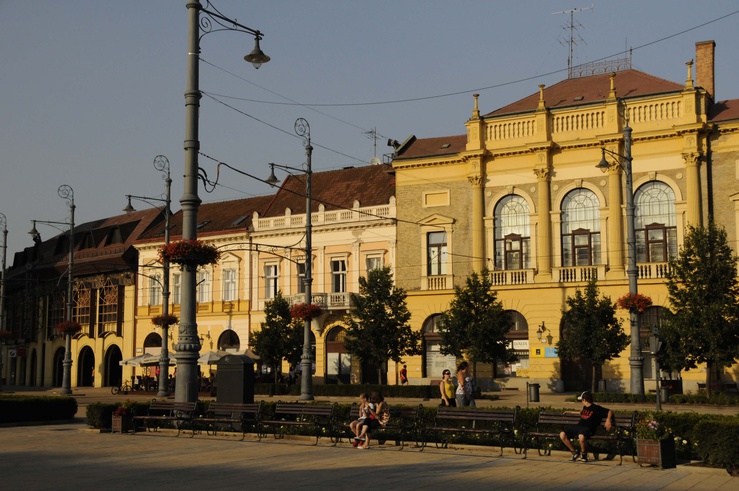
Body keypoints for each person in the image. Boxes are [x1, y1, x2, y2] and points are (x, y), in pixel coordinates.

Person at [559, 390, 613, 463]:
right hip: (579, 426)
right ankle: (574, 452)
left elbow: (610, 411)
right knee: (562, 434)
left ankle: (584, 454)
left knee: (581, 436)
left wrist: (608, 420)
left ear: (584, 400)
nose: (581, 401)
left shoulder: (596, 408)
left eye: (582, 400)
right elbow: (581, 413)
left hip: (588, 428)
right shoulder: (585, 407)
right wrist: (570, 412)